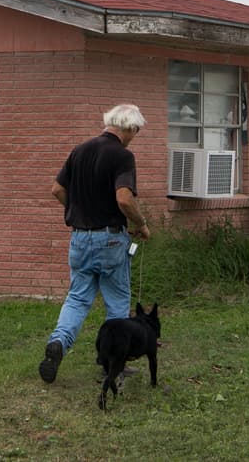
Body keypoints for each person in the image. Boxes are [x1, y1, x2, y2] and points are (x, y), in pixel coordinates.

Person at [39, 103, 151, 384]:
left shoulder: (79, 151)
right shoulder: (122, 156)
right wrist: (141, 224)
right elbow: (124, 198)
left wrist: (77, 210)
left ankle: (58, 344)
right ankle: (113, 365)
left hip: (79, 237)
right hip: (111, 239)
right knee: (117, 302)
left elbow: (57, 189)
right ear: (130, 128)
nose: (134, 136)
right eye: (136, 131)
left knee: (77, 298)